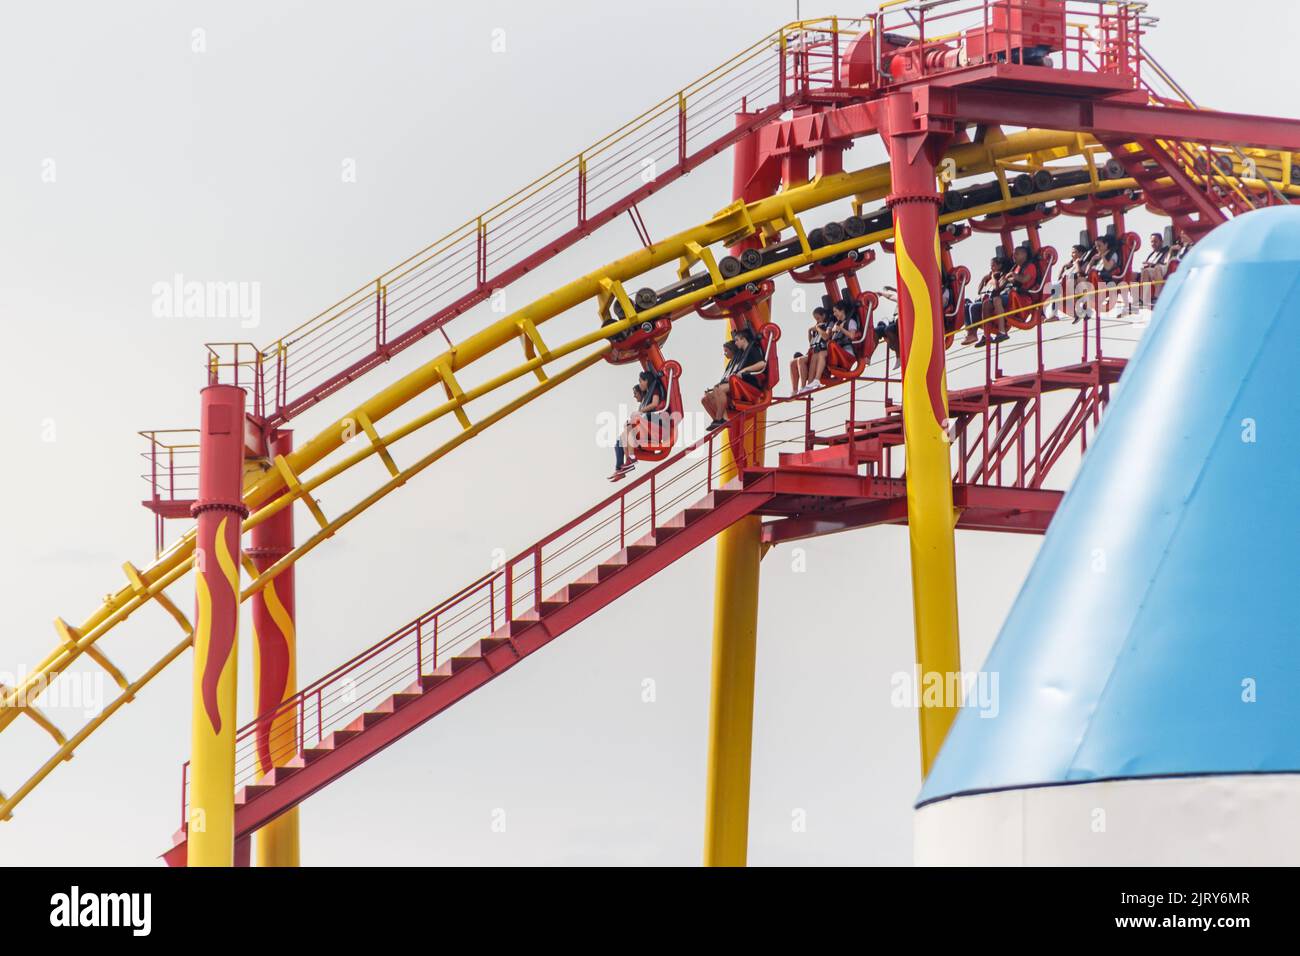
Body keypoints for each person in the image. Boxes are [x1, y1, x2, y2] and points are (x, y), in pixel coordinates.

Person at [702, 327, 767, 429]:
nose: (735, 343)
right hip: (738, 382)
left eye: (737, 340)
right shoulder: (741, 354)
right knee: (705, 398)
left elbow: (762, 364)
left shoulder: (752, 349)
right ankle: (720, 419)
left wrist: (744, 370)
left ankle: (720, 418)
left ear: (743, 339)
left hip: (749, 384)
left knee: (719, 390)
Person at [961, 256, 1007, 346]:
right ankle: (970, 333)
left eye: (993, 266)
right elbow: (979, 291)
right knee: (966, 306)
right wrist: (984, 279)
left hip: (993, 300)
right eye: (991, 266)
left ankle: (975, 332)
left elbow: (997, 288)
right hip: (985, 298)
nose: (991, 268)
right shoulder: (988, 277)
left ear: (999, 266)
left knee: (973, 307)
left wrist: (994, 278)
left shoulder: (1001, 276)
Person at [790, 307, 831, 395]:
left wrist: (818, 328)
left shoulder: (827, 325)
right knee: (793, 363)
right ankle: (795, 390)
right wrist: (809, 331)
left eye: (818, 318)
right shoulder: (818, 326)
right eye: (816, 319)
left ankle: (804, 387)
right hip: (814, 350)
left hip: (822, 351)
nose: (817, 320)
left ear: (823, 316)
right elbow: (811, 342)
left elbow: (826, 337)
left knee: (801, 360)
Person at [1047, 244, 1091, 322]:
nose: (1071, 255)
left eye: (1074, 252)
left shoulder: (1085, 263)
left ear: (1081, 254)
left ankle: (1080, 311)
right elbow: (1059, 278)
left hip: (1078, 287)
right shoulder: (1070, 265)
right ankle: (1054, 314)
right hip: (1065, 286)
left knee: (1055, 288)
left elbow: (1079, 274)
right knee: (1053, 289)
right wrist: (1063, 267)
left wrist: (1076, 263)